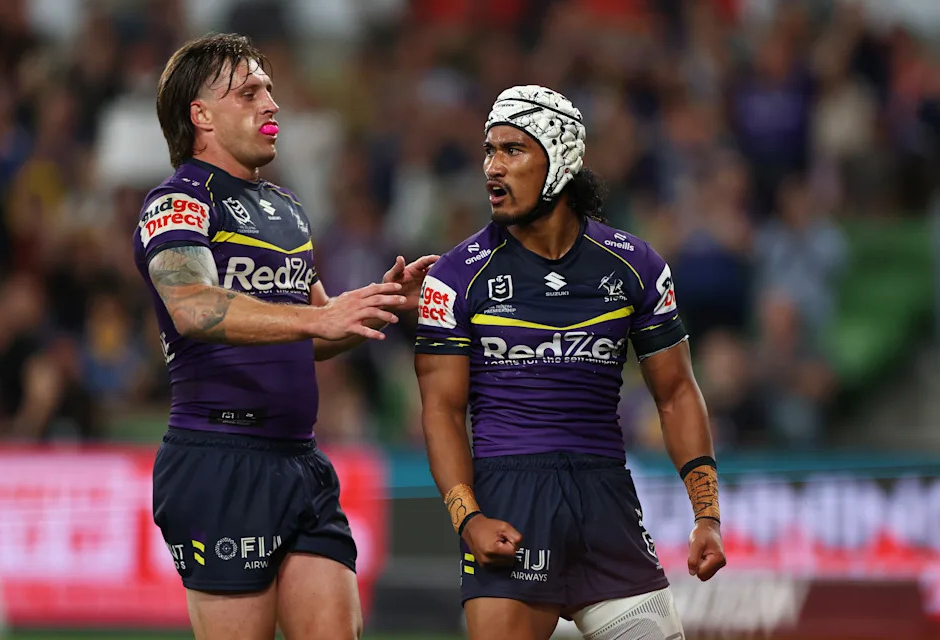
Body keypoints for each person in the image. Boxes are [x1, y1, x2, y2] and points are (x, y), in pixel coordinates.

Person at [132, 33, 436, 640]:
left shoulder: (286, 207)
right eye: (249, 92)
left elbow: (312, 332)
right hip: (218, 461)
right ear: (201, 115)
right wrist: (316, 317)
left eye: (269, 89)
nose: (271, 103)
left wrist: (371, 306)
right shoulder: (178, 201)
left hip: (299, 460)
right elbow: (192, 306)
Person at [414, 85, 726, 640]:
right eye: (489, 150)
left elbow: (676, 392)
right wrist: (469, 519)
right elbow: (440, 410)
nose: (492, 167)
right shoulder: (457, 275)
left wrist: (707, 516)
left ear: (558, 160)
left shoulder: (636, 265)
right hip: (510, 502)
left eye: (512, 150)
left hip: (606, 502)